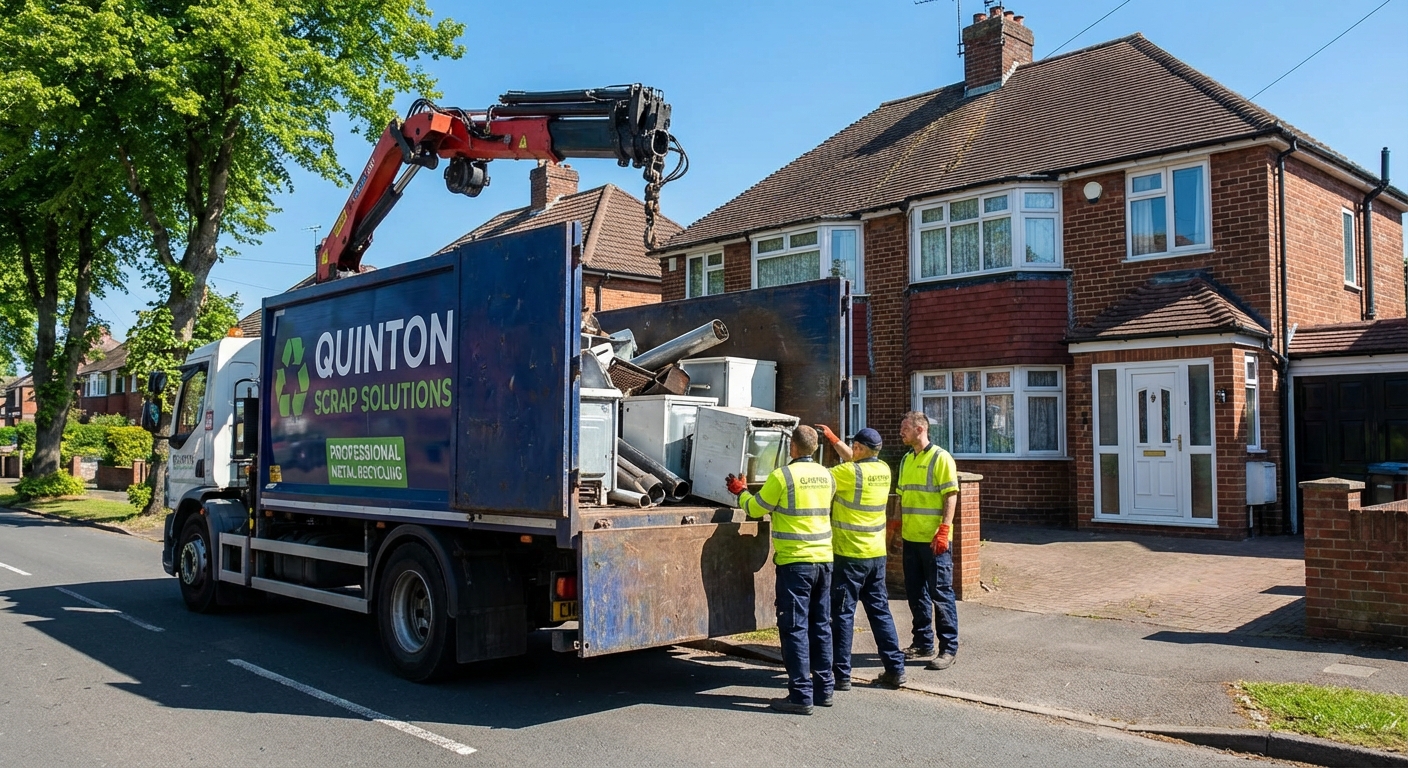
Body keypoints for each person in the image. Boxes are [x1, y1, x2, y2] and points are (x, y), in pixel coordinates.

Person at [727, 425, 836, 715]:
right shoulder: (827, 476)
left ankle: (801, 696)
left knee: (795, 628)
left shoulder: (782, 476)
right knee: (821, 625)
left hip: (795, 563)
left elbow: (755, 509)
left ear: (793, 448)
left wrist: (741, 492)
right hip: (824, 560)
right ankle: (825, 689)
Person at [815, 425, 906, 690]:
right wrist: (834, 440)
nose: (852, 450)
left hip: (849, 556)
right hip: (876, 556)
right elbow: (855, 462)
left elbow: (819, 478)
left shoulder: (848, 472)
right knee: (880, 613)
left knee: (842, 615)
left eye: (854, 447)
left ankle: (841, 676)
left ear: (860, 449)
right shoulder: (884, 470)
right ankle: (895, 670)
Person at [896, 411, 961, 671]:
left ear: (920, 429)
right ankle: (923, 642)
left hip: (934, 542)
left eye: (905, 428)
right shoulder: (905, 460)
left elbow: (951, 495)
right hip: (911, 538)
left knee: (941, 593)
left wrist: (944, 529)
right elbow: (902, 497)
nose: (901, 432)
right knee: (916, 594)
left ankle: (948, 648)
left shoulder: (940, 458)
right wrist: (895, 527)